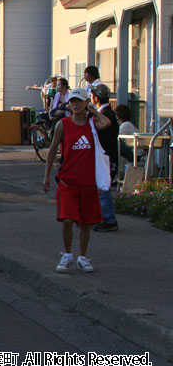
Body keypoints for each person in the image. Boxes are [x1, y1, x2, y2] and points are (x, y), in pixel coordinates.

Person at [42, 87, 111, 273]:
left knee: (86, 222)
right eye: (73, 101)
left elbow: (106, 123)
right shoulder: (63, 124)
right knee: (67, 220)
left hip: (88, 180)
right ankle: (66, 254)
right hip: (67, 180)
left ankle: (83, 257)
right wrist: (47, 176)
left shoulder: (91, 123)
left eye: (79, 101)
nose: (75, 104)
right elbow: (52, 150)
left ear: (86, 102)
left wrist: (95, 112)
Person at [91, 84, 119, 233]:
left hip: (105, 156)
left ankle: (109, 219)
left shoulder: (105, 115)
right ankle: (101, 217)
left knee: (103, 187)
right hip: (107, 155)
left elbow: (102, 133)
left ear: (96, 97)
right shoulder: (109, 112)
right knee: (100, 187)